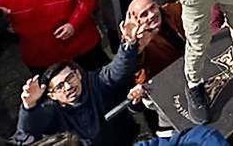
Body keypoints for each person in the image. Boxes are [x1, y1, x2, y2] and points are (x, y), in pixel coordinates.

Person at [16, 16, 143, 146]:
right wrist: (29, 106)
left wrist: (128, 44)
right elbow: (26, 136)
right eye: (59, 86)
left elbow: (117, 70)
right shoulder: (51, 111)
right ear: (52, 95)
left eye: (70, 77)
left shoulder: (95, 82)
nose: (68, 86)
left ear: (78, 74)